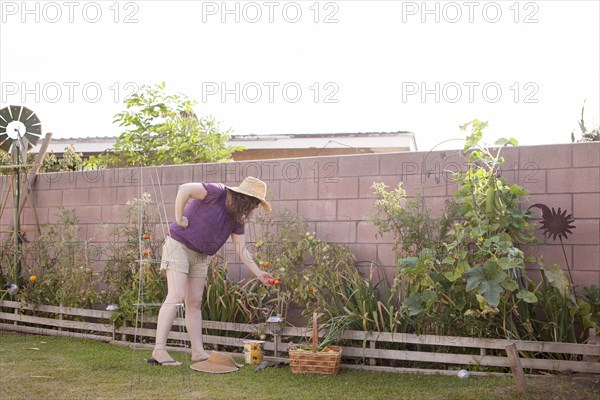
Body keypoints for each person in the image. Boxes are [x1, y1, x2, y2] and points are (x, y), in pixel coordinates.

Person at [150, 177, 273, 366]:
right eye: (256, 202)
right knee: (176, 295)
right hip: (178, 246)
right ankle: (159, 350)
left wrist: (259, 273)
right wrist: (178, 217)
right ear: (246, 198)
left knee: (195, 302)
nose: (255, 208)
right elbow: (184, 188)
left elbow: (241, 250)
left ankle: (198, 352)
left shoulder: (236, 219)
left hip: (201, 255)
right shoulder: (216, 192)